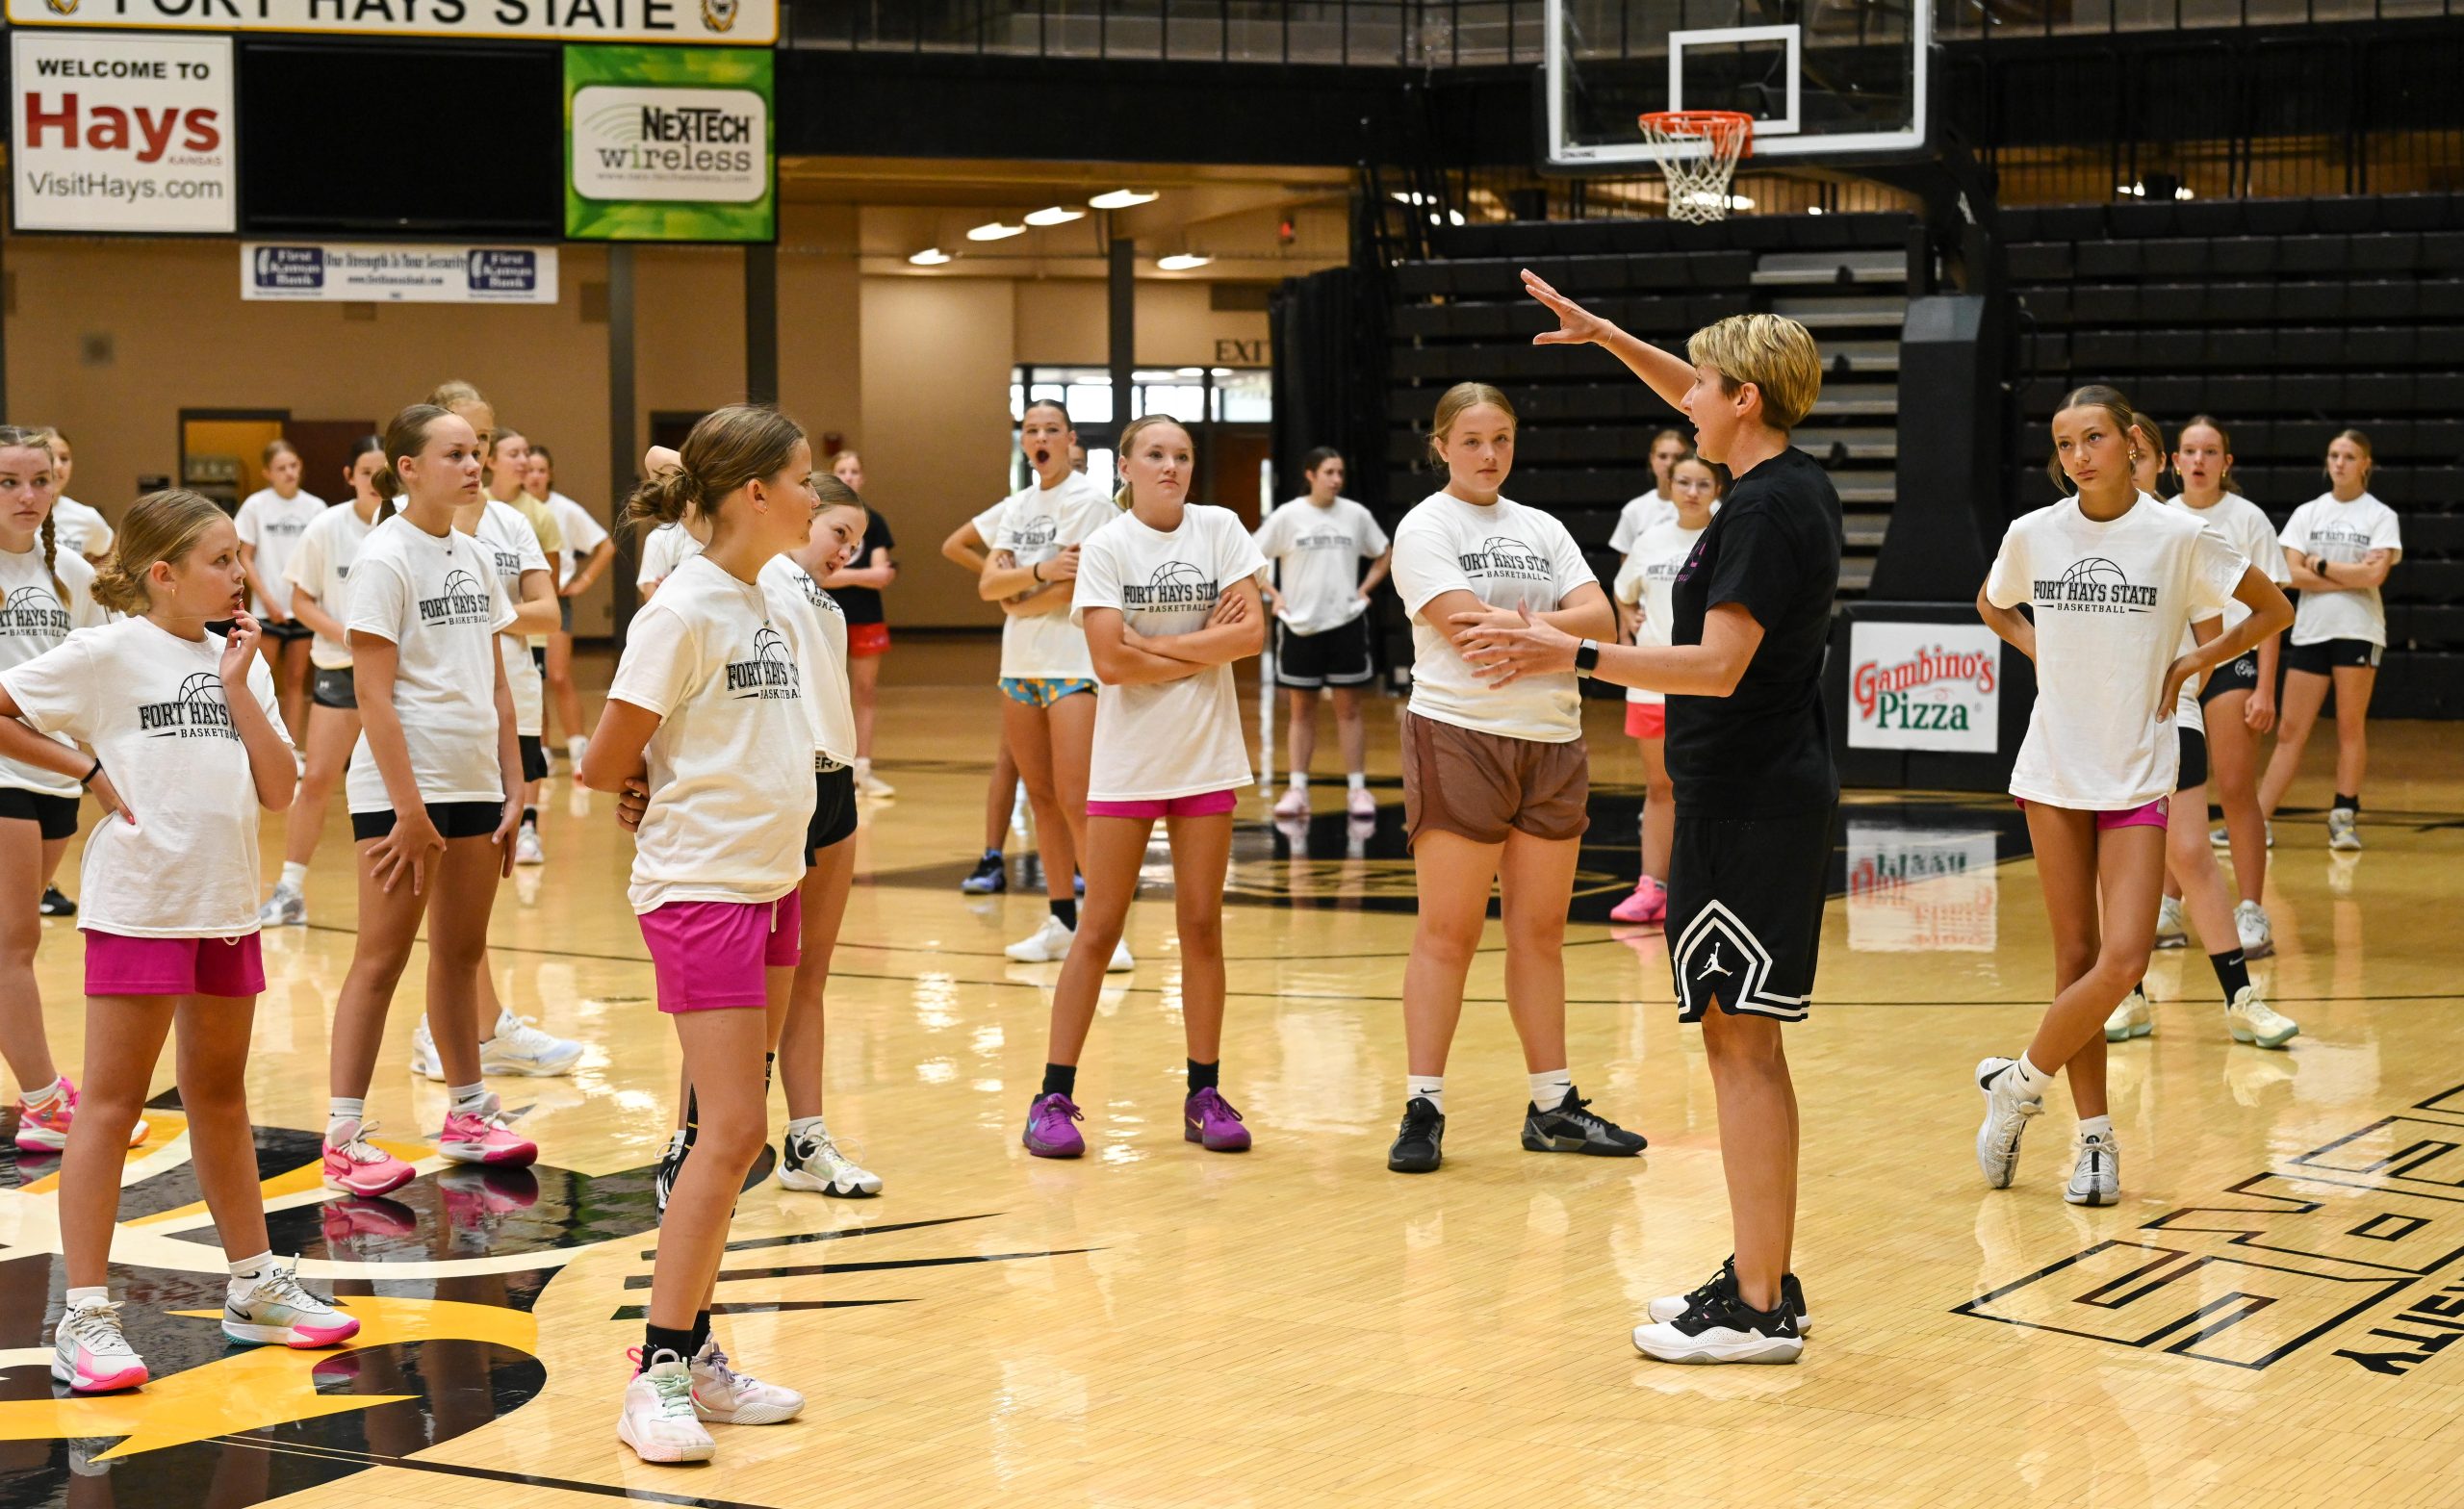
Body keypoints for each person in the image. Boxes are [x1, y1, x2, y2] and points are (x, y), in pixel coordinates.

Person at [1489, 280, 1840, 1366]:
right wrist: (1607, 337)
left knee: (1742, 1046)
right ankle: (1762, 1276)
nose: (1685, 401)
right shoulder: (1786, 480)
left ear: (1744, 398)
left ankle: (1759, 1304)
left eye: (1702, 385)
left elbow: (1720, 665)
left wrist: (1577, 653)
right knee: (1745, 1042)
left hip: (1747, 802)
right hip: (1754, 794)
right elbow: (1695, 384)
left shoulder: (1763, 510)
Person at [1, 489, 356, 1393]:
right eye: (221, 560)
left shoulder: (238, 660)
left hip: (224, 904)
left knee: (221, 1097)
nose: (240, 575)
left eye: (240, 557)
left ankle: (255, 1284)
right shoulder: (107, 651)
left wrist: (238, 685)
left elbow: (279, 790)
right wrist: (84, 769)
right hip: (141, 905)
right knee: (111, 1106)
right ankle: (85, 1314)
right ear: (163, 574)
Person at [1973, 385, 2292, 1214]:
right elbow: (1992, 602)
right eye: (2064, 443)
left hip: (2140, 767)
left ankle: (2017, 1083)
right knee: (2075, 958)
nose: (2078, 455)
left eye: (2094, 438)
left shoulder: (2180, 535)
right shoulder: (2034, 532)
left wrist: (2196, 662)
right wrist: (2037, 648)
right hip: (2054, 770)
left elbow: (2273, 608)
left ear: (2131, 442)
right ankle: (2094, 1142)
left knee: (2124, 960)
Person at [579, 406, 817, 1465]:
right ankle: (659, 1373)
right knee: (731, 1132)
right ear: (755, 493)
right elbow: (603, 759)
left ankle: (699, 1352)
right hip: (704, 888)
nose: (816, 495)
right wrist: (645, 785)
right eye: (802, 478)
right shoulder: (680, 609)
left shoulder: (761, 591)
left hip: (770, 881)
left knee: (722, 1136)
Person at [1379, 380, 1643, 1182]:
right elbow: (1467, 632)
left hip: (1553, 739)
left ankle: (1553, 1105)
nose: (1489, 454)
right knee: (1448, 932)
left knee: (1540, 934)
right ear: (1441, 448)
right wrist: (1554, 635)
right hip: (1460, 735)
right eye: (1471, 441)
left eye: (1501, 439)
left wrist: (1526, 631)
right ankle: (1423, 1104)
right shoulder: (1425, 526)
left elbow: (1604, 621)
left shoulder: (1543, 527)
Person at [1020, 416, 1268, 1160]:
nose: (1171, 466)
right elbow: (1110, 663)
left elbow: (1250, 636)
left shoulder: (1221, 529)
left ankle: (1203, 1095)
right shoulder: (1107, 545)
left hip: (1206, 756)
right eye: (1155, 455)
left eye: (1182, 455)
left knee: (1201, 926)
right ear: (1125, 466)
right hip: (1128, 763)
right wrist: (1198, 648)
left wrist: (1152, 643)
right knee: (1098, 928)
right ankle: (1051, 1098)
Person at [321, 402, 537, 1202]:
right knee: (380, 958)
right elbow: (372, 695)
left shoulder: (476, 555)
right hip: (401, 790)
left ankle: (469, 1113)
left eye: (476, 452)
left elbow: (499, 685)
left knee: (462, 953)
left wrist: (516, 785)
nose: (474, 466)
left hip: (475, 781)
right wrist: (408, 808)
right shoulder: (384, 557)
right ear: (407, 468)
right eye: (455, 454)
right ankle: (343, 1136)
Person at [2102, 413, 2298, 1050]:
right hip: (2102, 722)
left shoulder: (2183, 534)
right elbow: (2001, 604)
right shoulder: (2072, 532)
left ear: (2156, 463)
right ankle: (2126, 997)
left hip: (2170, 713)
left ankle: (2241, 998)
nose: (2126, 465)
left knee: (2190, 850)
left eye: (2139, 456)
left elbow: (2220, 632)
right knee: (2114, 859)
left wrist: (2184, 674)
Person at [0, 427, 126, 1154]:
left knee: (12, 940)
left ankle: (39, 1088)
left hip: (56, 776)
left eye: (40, 481)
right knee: (13, 943)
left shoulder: (72, 573)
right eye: (9, 482)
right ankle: (44, 1102)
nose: (28, 496)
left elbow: (102, 670)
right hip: (6, 770)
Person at [974, 400, 1132, 971]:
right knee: (1040, 796)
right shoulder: (1017, 506)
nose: (1041, 437)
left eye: (1051, 429)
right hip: (1019, 667)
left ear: (1070, 439)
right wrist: (1038, 573)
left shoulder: (1090, 502)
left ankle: (1107, 930)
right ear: (1024, 442)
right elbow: (989, 585)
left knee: (1076, 798)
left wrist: (1018, 596)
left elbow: (1076, 588)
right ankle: (1063, 920)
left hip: (1072, 664)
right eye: (1031, 430)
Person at [2160, 418, 2284, 957]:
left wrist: (2266, 688)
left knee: (2234, 787)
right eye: (2190, 451)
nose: (2199, 460)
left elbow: (2273, 612)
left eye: (2210, 451)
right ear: (2174, 461)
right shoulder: (2161, 516)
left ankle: (2251, 908)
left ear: (2226, 463)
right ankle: (2169, 902)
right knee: (2171, 791)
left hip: (2233, 663)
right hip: (2175, 670)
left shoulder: (2247, 518)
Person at [258, 438, 389, 928]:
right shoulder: (326, 528)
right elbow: (302, 600)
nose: (376, 482)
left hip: (400, 677)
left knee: (408, 785)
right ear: (350, 476)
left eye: (384, 472)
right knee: (316, 780)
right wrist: (348, 636)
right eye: (367, 472)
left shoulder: (410, 528)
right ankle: (290, 890)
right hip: (341, 669)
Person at [2257, 429, 2400, 852]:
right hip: (2311, 631)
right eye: (2334, 455)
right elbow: (2288, 573)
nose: (2339, 463)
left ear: (2365, 464)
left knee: (2349, 726)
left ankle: (2343, 818)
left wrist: (2317, 565)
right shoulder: (2308, 513)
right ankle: (2256, 821)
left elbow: (2375, 575)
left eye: (2349, 456)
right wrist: (2349, 573)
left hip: (2359, 630)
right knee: (2290, 730)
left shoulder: (2380, 516)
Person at [1605, 451, 1721, 926]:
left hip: (1709, 683)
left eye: (1703, 484)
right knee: (1659, 788)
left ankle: (1706, 891)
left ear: (1717, 490)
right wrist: (1627, 619)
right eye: (1684, 483)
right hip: (1651, 683)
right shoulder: (1650, 540)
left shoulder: (1726, 535)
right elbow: (1622, 591)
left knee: (1708, 788)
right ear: (1669, 486)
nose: (1692, 492)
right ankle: (1652, 887)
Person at [1255, 447, 1390, 823]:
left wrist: (1364, 590)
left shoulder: (1356, 515)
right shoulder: (1288, 516)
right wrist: (1276, 596)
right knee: (1301, 712)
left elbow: (1384, 552)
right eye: (1329, 472)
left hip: (1346, 623)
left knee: (1350, 710)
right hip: (1300, 626)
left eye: (1340, 473)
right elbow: (1250, 557)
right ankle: (1297, 789)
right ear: (1310, 474)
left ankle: (1358, 789)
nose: (1336, 479)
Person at [939, 509, 1023, 895]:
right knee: (1010, 756)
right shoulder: (1018, 507)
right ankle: (992, 856)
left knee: (1074, 769)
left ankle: (1083, 863)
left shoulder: (1088, 507)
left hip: (1077, 655)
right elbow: (955, 544)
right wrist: (1006, 582)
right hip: (1024, 654)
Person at [234, 438, 329, 743]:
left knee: (297, 681)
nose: (289, 472)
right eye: (281, 468)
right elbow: (244, 556)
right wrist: (267, 599)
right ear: (267, 472)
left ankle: (292, 749)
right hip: (267, 608)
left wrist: (307, 599)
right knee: (259, 679)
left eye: (293, 465)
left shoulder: (316, 507)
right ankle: (259, 744)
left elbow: (321, 559)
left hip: (303, 607)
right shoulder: (256, 506)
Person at [527, 444, 614, 766]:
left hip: (555, 600)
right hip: (521, 602)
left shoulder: (564, 509)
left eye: (541, 470)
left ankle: (579, 747)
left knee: (559, 674)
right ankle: (541, 750)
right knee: (530, 680)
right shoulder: (510, 509)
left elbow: (606, 545)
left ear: (550, 474)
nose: (535, 476)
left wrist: (584, 581)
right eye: (530, 469)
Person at [820, 449, 898, 799]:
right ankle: (829, 766)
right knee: (826, 689)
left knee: (865, 691)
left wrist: (841, 576)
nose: (848, 476)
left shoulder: (875, 522)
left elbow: (882, 576)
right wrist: (863, 576)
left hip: (866, 616)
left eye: (854, 471)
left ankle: (862, 769)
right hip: (824, 613)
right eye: (842, 470)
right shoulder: (820, 519)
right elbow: (818, 576)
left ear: (862, 477)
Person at [1606, 426, 1693, 639]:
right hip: (1651, 620)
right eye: (1663, 456)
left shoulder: (1709, 508)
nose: (1669, 463)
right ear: (1652, 460)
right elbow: (1626, 582)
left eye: (1677, 457)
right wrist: (1625, 633)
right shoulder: (1635, 510)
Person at [38, 429, 113, 565]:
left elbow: (111, 554)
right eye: (49, 456)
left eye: (64, 458)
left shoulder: (87, 517)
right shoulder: (10, 514)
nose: (58, 466)